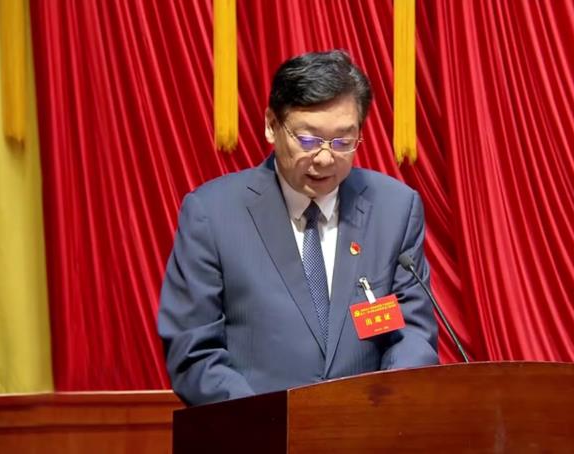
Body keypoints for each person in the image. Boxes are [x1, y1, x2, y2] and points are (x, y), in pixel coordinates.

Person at [158, 50, 438, 406]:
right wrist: (268, 423)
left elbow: (412, 332)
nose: (325, 158)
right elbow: (194, 352)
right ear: (271, 125)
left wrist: (382, 409)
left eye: (343, 142)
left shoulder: (394, 209)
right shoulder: (212, 214)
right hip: (258, 429)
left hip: (366, 426)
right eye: (308, 140)